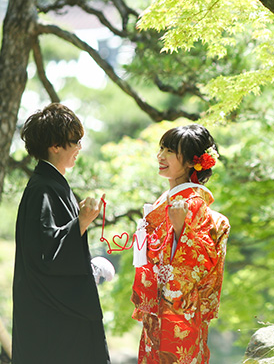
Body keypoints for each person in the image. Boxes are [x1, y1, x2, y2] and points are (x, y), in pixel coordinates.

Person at [12, 103, 110, 364]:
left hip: (50, 315)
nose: (80, 147)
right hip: (50, 320)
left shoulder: (52, 184)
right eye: (75, 141)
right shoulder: (42, 189)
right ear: (55, 145)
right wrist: (82, 221)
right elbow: (48, 253)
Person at [131, 124, 230, 363]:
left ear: (191, 162)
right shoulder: (169, 199)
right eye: (161, 149)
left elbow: (202, 259)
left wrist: (179, 231)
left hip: (180, 310)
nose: (160, 156)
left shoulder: (193, 202)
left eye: (170, 151)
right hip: (159, 309)